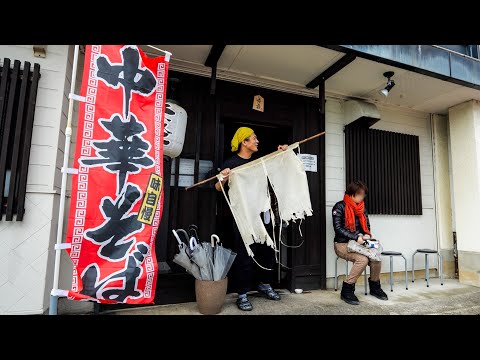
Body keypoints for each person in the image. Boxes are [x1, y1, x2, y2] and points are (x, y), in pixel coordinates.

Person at [215, 126, 288, 311]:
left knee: (268, 250)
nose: (257, 141)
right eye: (253, 138)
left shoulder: (259, 161)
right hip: (243, 216)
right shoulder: (231, 163)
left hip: (263, 213)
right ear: (244, 142)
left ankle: (265, 284)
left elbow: (274, 167)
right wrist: (224, 178)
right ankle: (242, 294)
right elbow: (217, 187)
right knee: (245, 252)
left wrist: (280, 153)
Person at [332, 181, 388, 305]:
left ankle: (375, 287)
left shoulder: (362, 209)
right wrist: (355, 236)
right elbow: (338, 228)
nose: (362, 197)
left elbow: (366, 226)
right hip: (342, 245)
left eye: (364, 195)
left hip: (360, 243)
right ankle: (347, 289)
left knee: (376, 258)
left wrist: (366, 235)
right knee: (363, 260)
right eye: (361, 194)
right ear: (352, 194)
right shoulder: (339, 207)